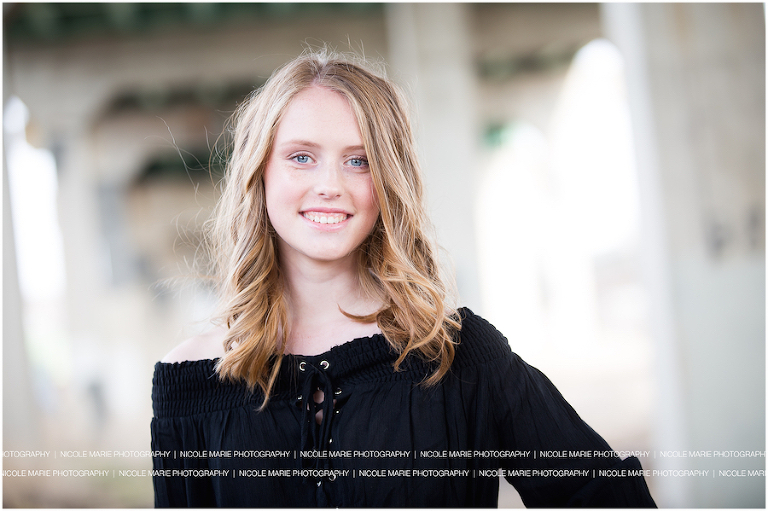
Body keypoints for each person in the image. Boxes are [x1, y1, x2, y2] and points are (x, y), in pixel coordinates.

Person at [151, 49, 656, 508]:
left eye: (359, 161)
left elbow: (605, 496)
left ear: (388, 181)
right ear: (260, 171)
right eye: (301, 157)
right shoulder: (190, 381)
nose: (330, 185)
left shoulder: (459, 355)